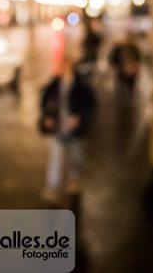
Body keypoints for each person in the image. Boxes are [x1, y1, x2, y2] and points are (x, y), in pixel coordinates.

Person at [40, 53, 97, 201]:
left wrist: (79, 117)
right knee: (55, 160)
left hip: (74, 131)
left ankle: (74, 181)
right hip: (58, 129)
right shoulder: (54, 84)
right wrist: (48, 117)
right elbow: (44, 102)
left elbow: (91, 105)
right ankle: (52, 188)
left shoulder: (81, 86)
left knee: (75, 158)